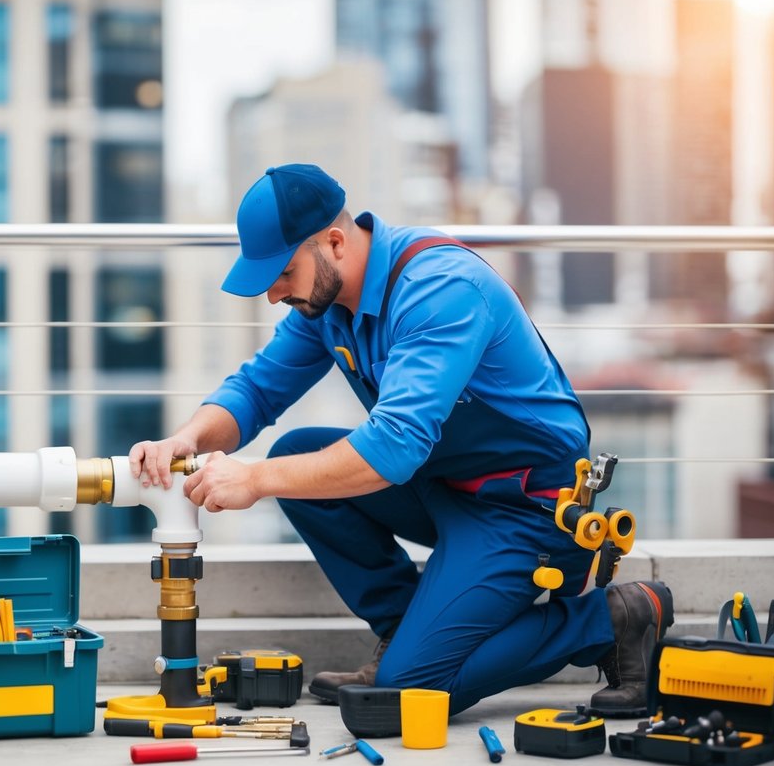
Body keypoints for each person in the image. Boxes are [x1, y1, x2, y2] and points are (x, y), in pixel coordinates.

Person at [129, 163, 673, 717]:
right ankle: (407, 629)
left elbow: (391, 449)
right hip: (442, 486)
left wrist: (253, 480)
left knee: (408, 694)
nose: (274, 295)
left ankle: (614, 618)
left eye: (283, 273)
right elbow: (258, 390)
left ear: (334, 243)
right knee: (293, 455)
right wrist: (186, 438)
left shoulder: (439, 290)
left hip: (527, 509)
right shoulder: (327, 302)